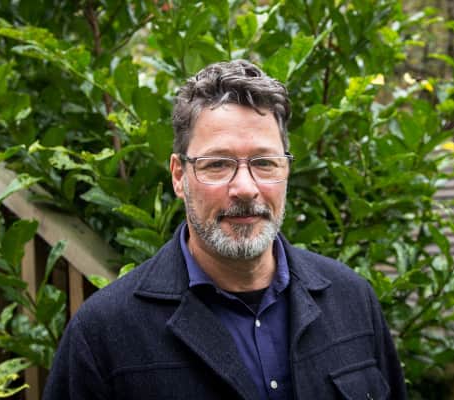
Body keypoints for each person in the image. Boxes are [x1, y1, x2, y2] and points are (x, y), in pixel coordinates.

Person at [43, 60, 407, 400]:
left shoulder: (352, 301)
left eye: (264, 163)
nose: (245, 188)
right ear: (179, 176)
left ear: (286, 170)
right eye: (217, 164)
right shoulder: (104, 335)